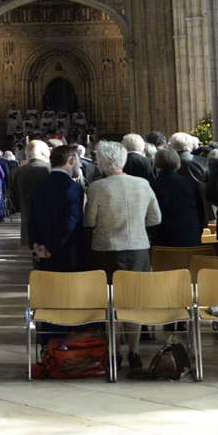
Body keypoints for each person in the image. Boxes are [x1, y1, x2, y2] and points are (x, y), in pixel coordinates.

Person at [83, 141, 161, 369]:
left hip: (107, 250)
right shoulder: (143, 183)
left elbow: (89, 221)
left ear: (101, 162)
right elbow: (156, 218)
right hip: (138, 248)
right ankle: (134, 351)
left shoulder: (97, 187)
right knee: (134, 302)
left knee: (112, 301)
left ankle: (115, 351)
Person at [27, 144, 87, 272]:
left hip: (42, 252)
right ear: (71, 161)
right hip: (68, 252)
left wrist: (36, 245)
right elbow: (71, 221)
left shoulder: (39, 186)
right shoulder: (74, 188)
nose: (79, 165)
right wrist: (52, 247)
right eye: (78, 162)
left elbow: (31, 219)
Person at [148, 145, 207, 247]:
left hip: (162, 242)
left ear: (157, 164)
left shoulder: (152, 185)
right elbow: (201, 211)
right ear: (177, 162)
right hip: (190, 239)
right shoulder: (190, 183)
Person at [12, 140, 52, 250]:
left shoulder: (18, 171)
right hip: (48, 217)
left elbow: (13, 194)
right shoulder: (50, 169)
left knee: (32, 245)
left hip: (27, 215)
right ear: (44, 153)